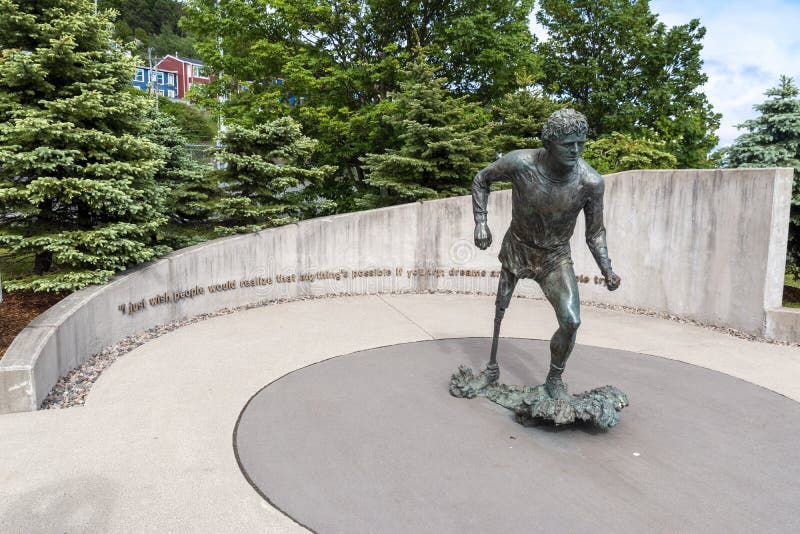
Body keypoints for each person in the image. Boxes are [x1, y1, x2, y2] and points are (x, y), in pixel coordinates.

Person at [472, 108, 621, 401]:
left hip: (555, 257)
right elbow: (482, 179)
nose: (576, 150)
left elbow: (595, 233)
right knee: (500, 310)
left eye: (581, 143)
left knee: (571, 321)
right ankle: (491, 368)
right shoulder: (521, 163)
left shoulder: (590, 182)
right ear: (549, 142)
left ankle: (554, 378)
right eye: (568, 144)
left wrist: (607, 268)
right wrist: (481, 222)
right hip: (518, 247)